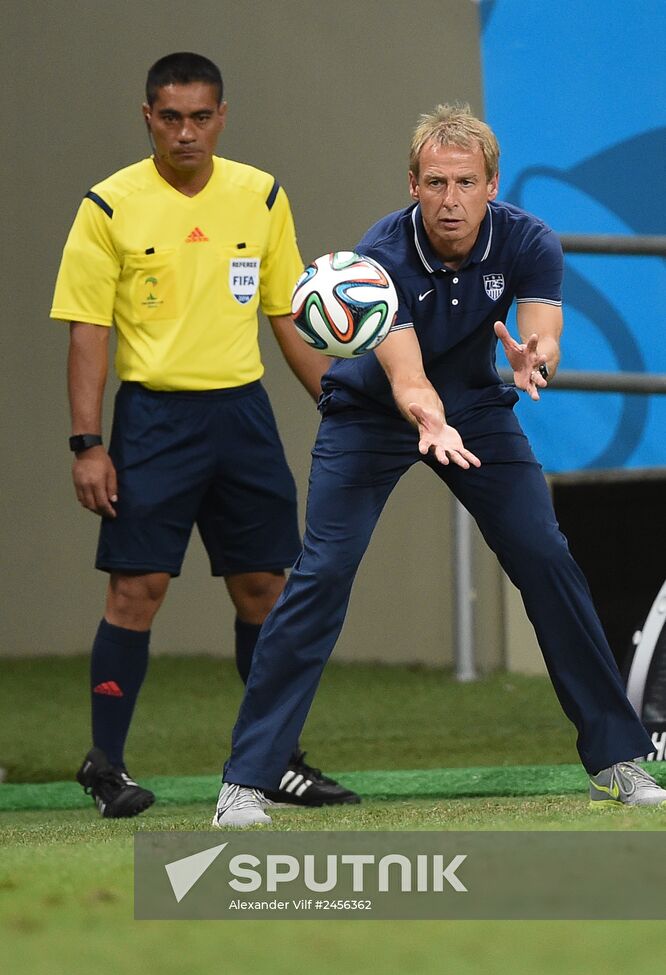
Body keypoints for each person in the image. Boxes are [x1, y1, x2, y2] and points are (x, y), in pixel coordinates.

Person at [212, 103, 664, 827]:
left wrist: (533, 357)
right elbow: (408, 377)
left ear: (492, 184)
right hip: (373, 416)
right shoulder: (380, 254)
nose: (448, 200)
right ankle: (246, 782)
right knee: (323, 574)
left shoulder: (528, 240)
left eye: (463, 182)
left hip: (480, 412)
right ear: (412, 185)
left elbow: (544, 330)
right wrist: (426, 416)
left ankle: (617, 760)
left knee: (546, 554)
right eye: (433, 183)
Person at [50, 51, 359, 818]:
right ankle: (106, 766)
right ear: (147, 117)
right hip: (154, 418)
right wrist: (87, 444)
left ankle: (275, 761)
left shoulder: (260, 195)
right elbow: (88, 331)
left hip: (242, 417)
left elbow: (286, 314)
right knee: (137, 589)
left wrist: (343, 403)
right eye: (170, 117)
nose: (186, 131)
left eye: (200, 116)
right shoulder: (109, 205)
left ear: (222, 117)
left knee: (266, 588)